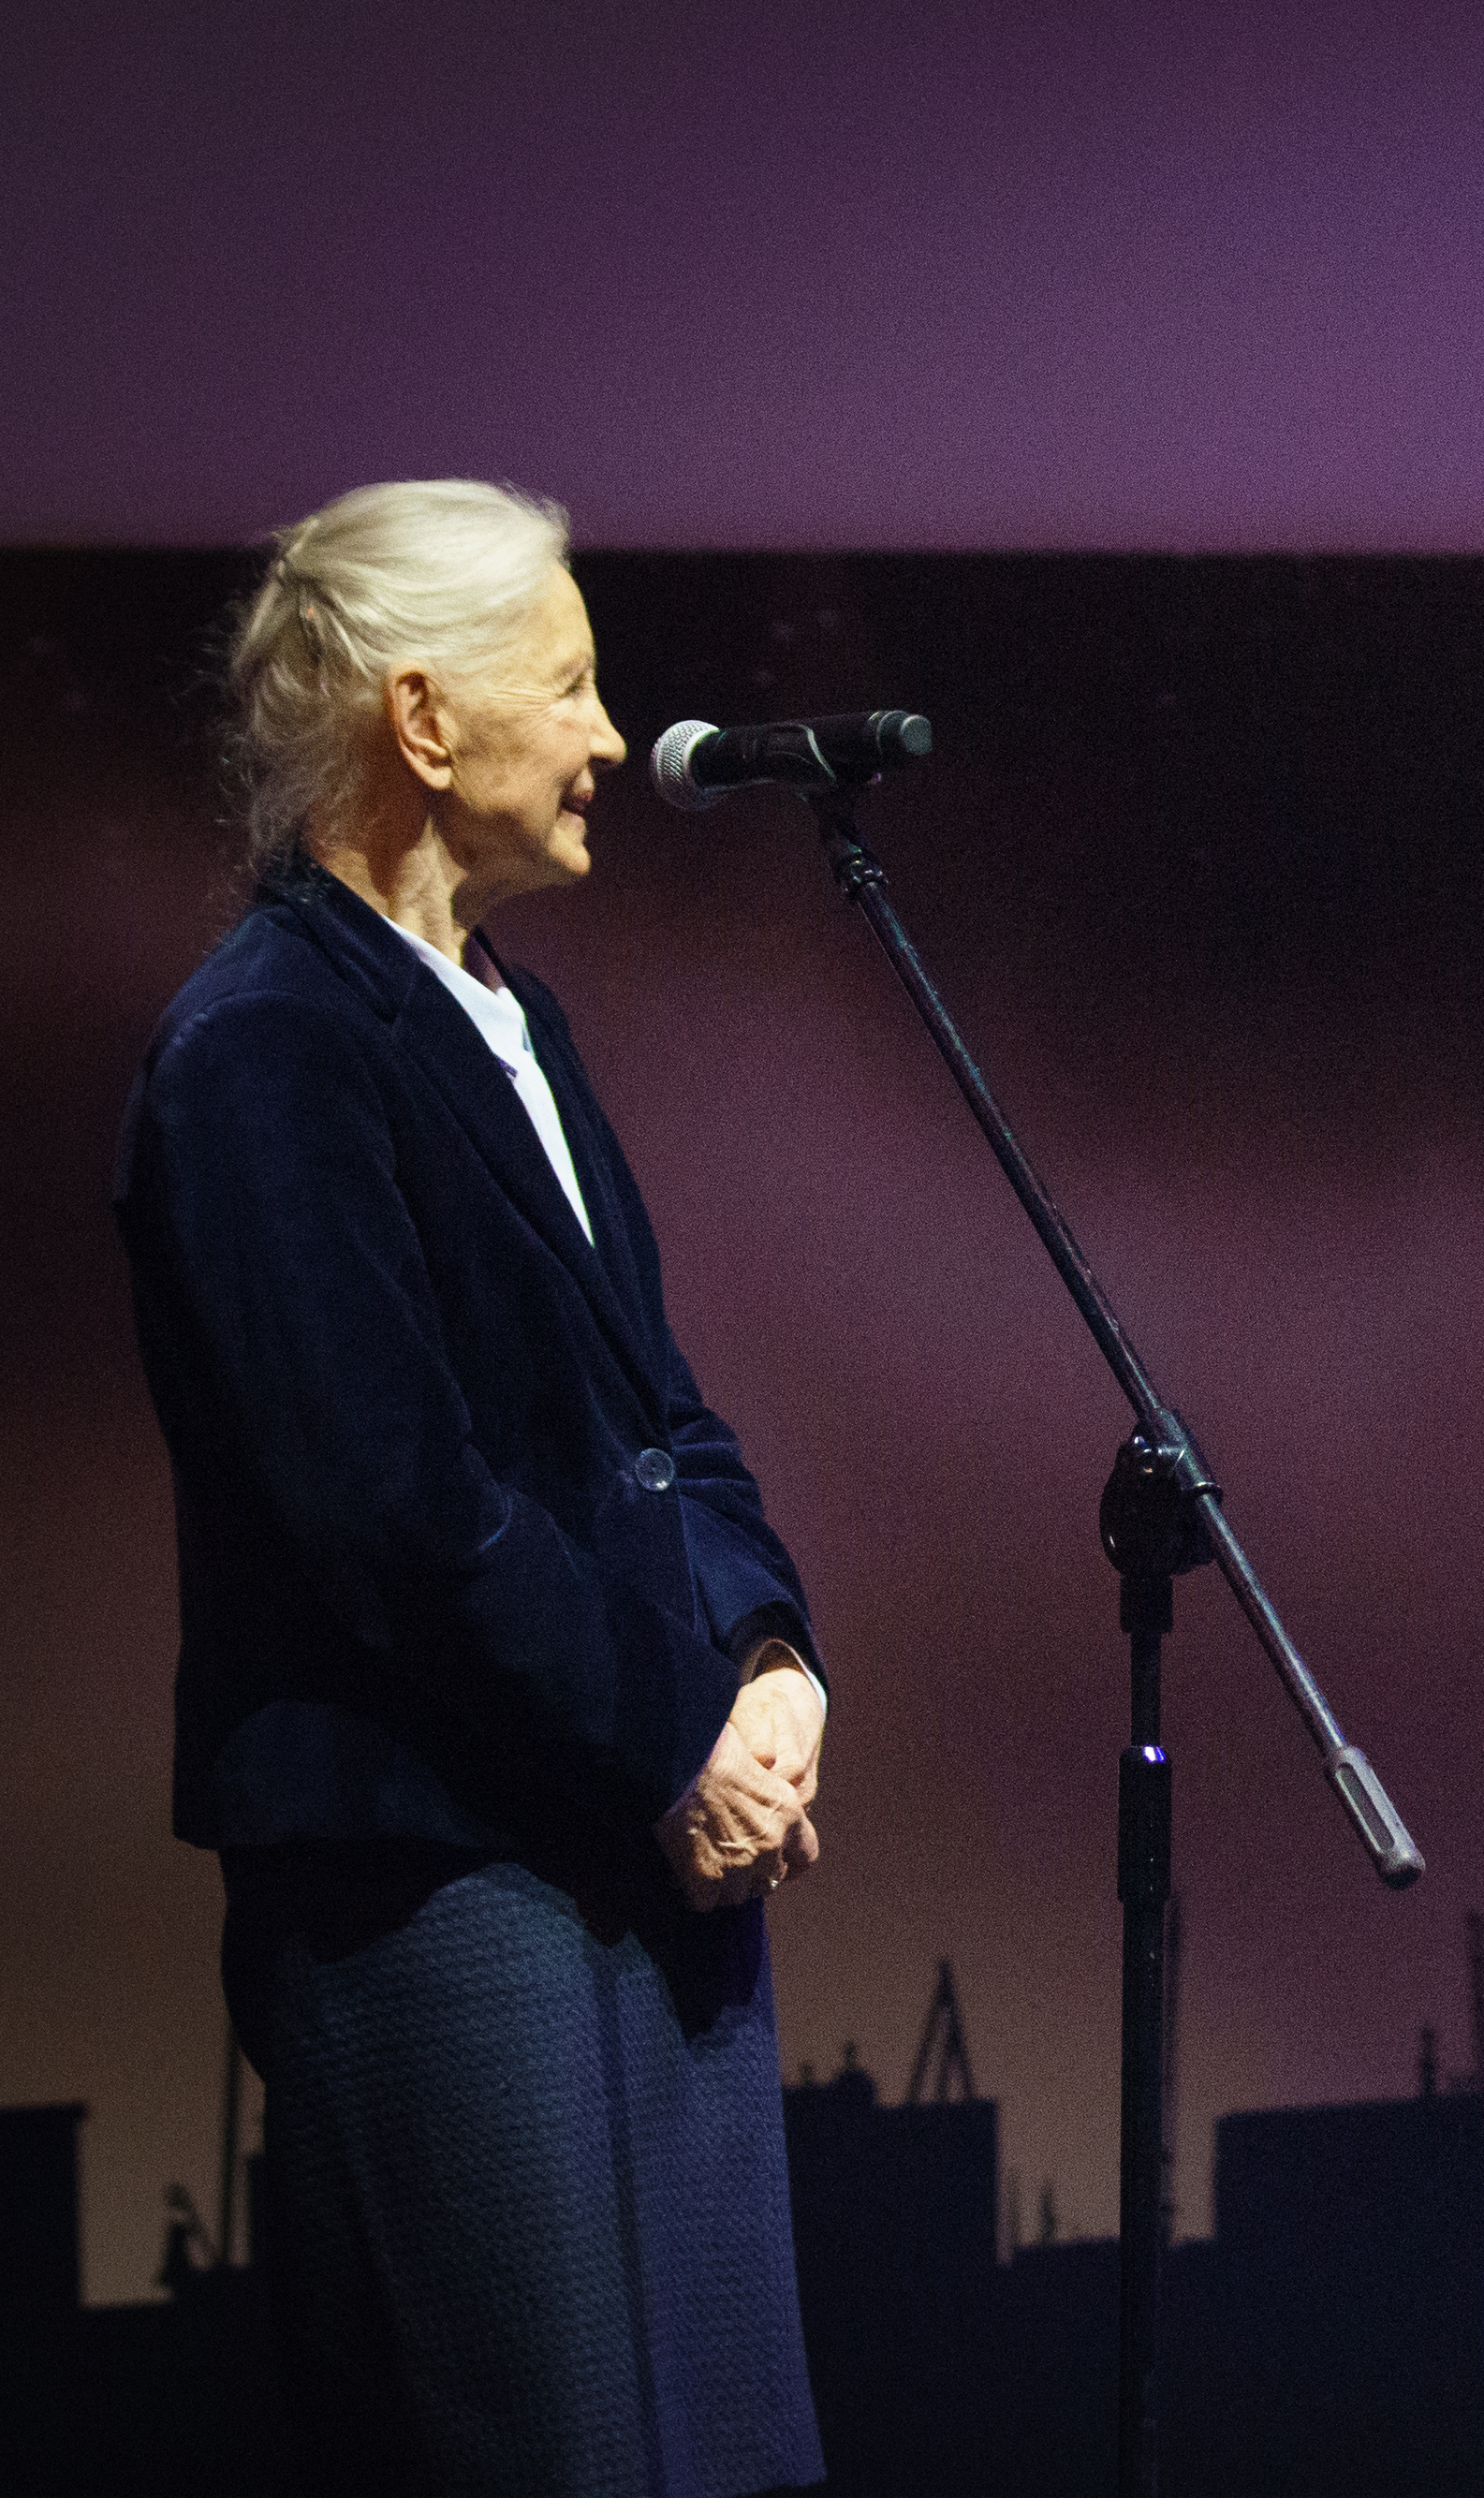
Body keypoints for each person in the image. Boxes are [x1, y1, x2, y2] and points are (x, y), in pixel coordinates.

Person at [115, 479, 834, 2498]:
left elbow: (658, 1411)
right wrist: (672, 1734)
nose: (613, 736)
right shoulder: (265, 1048)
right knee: (541, 2451)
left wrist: (770, 1653)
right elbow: (391, 1502)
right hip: (446, 1882)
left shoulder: (519, 1018)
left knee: (718, 2446)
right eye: (572, 683)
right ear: (424, 723)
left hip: (635, 1851)